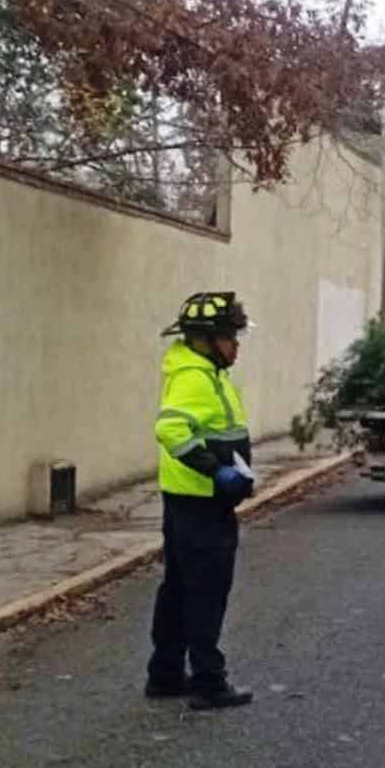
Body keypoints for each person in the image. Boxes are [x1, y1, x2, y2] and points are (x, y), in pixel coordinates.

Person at [148, 291, 257, 710]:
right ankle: (209, 681)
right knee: (206, 591)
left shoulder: (207, 371)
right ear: (207, 339)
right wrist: (217, 471)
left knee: (179, 588)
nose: (236, 346)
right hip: (201, 502)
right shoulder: (194, 376)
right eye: (230, 337)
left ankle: (166, 674)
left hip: (190, 500)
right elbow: (170, 430)